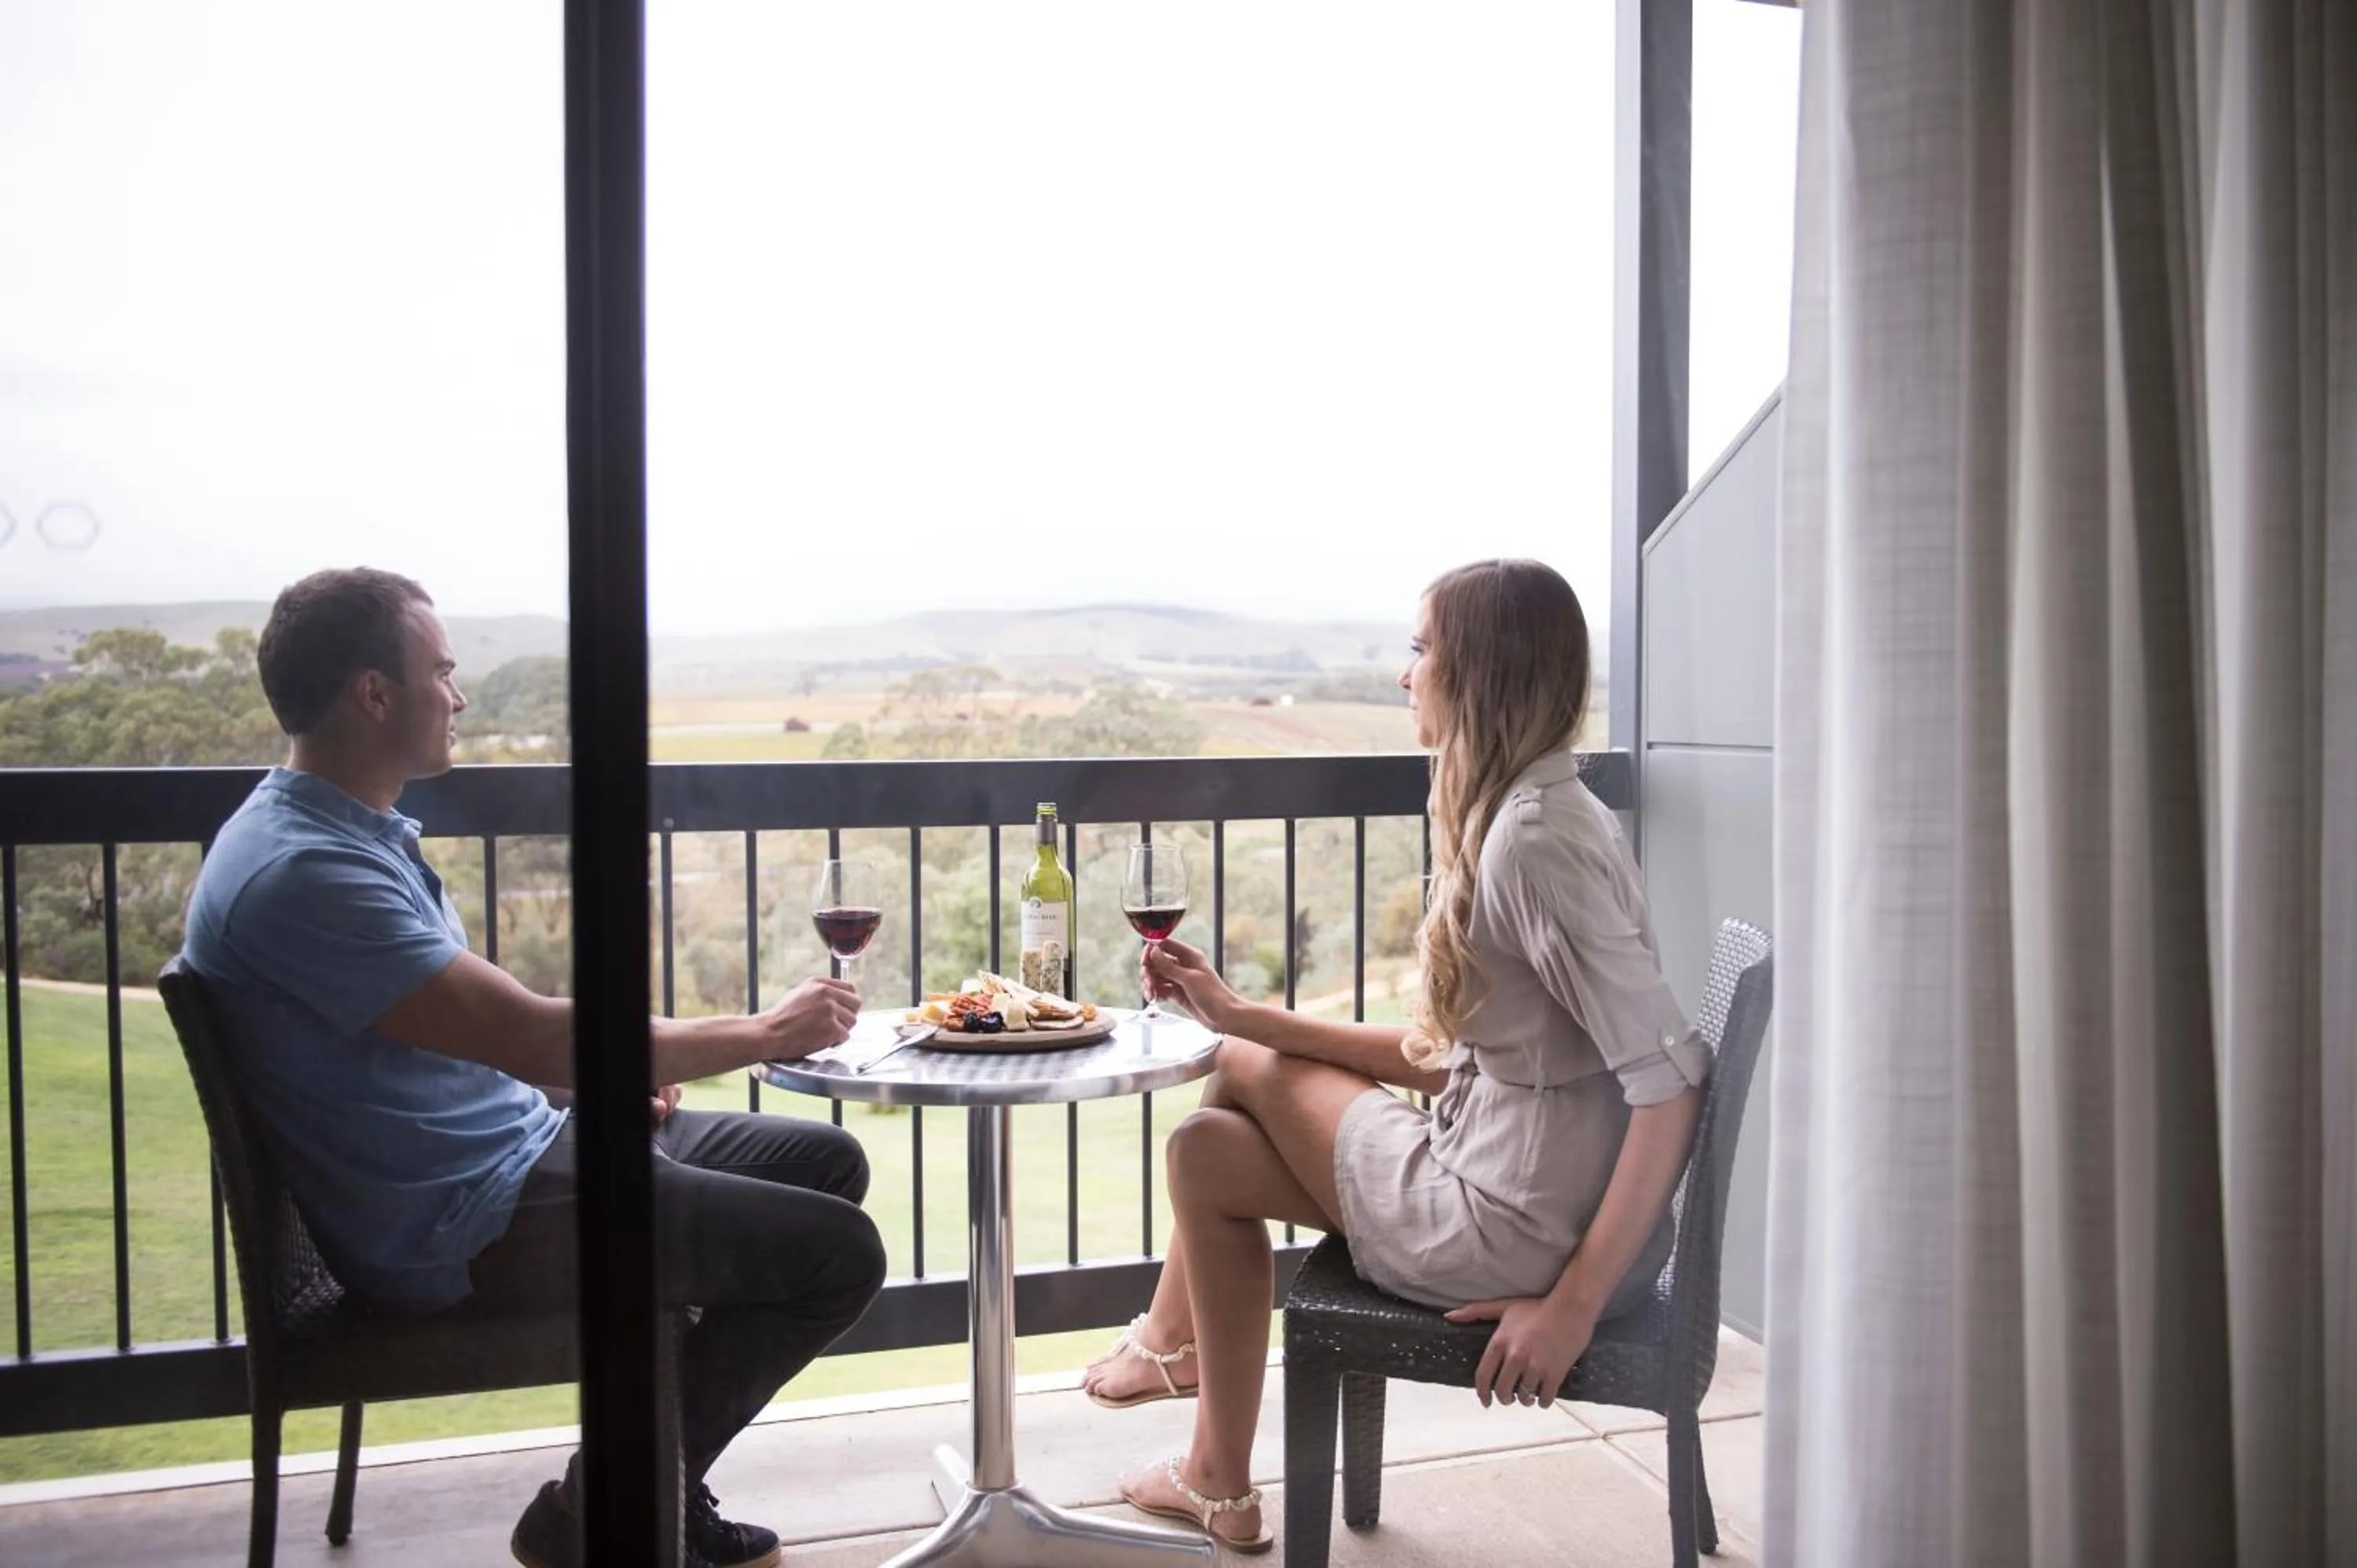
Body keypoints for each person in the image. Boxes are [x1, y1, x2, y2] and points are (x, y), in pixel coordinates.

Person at [181, 568, 885, 1568]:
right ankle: (615, 1506)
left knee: (824, 1168)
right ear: (372, 694)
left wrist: (580, 1088)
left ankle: (636, 1489)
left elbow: (467, 1045)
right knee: (838, 1253)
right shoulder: (306, 871)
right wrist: (763, 1033)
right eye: (444, 673)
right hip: (465, 1219)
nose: (459, 698)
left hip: (512, 1149)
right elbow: (532, 1031)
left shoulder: (331, 832)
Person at [1081, 559, 1709, 1553]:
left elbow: (1671, 1081)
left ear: (1479, 672)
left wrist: (1572, 1308)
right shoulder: (1534, 810)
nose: (1406, 675)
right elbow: (1445, 1061)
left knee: (1237, 1070)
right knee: (1205, 1145)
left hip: (1512, 1232)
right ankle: (1213, 1473)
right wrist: (1239, 1010)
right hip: (1517, 1188)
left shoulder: (1533, 843)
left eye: (1422, 651)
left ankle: (1173, 1351)